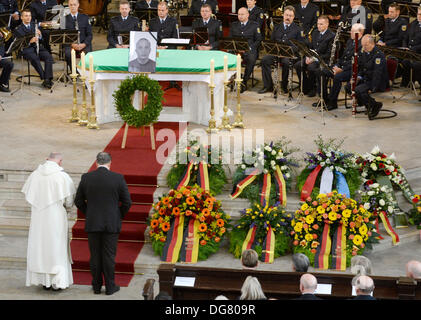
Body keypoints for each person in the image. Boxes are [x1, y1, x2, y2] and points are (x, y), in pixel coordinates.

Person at [74, 152, 132, 295]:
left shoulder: (87, 177)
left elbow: (78, 201)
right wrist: (118, 215)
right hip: (111, 223)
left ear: (96, 163)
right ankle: (110, 286)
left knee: (95, 256)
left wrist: (89, 213)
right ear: (110, 163)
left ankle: (97, 286)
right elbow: (127, 202)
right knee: (109, 256)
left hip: (93, 222)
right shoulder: (118, 178)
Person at [22, 152, 76, 291]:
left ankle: (44, 282)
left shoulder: (35, 175)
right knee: (56, 247)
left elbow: (29, 195)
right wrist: (67, 208)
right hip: (56, 216)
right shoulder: (62, 176)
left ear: (47, 159)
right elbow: (69, 199)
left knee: (40, 247)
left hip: (39, 217)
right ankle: (57, 283)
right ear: (60, 161)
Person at [259, 5, 303, 94]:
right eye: (286, 15)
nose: (288, 17)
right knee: (264, 60)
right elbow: (272, 41)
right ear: (283, 15)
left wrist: (288, 51)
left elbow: (299, 45)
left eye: (290, 16)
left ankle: (284, 85)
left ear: (293, 17)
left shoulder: (298, 29)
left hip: (289, 54)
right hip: (276, 53)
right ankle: (268, 86)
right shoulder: (277, 27)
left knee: (286, 62)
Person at [325, 23, 365, 110]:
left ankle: (332, 102)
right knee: (325, 71)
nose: (350, 32)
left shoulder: (362, 44)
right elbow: (343, 56)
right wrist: (336, 65)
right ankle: (325, 98)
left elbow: (356, 62)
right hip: (344, 67)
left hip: (354, 70)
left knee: (337, 77)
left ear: (360, 33)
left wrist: (342, 69)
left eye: (353, 31)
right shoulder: (350, 41)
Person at [294, 15, 334, 98]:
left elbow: (328, 54)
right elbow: (311, 46)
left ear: (327, 24)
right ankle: (305, 87)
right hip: (312, 56)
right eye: (318, 24)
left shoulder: (331, 36)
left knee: (311, 67)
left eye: (321, 24)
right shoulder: (315, 32)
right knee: (298, 65)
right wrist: (308, 56)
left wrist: (314, 58)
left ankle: (313, 88)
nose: (319, 26)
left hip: (322, 59)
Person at [13, 9, 54, 89]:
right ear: (22, 17)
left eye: (29, 16)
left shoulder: (34, 25)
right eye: (26, 16)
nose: (28, 18)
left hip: (37, 47)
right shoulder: (18, 29)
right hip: (26, 49)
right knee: (35, 58)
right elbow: (19, 45)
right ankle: (45, 79)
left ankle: (48, 78)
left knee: (48, 56)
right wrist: (29, 41)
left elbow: (41, 40)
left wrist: (40, 35)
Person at [351, 34, 388, 120]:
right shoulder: (365, 52)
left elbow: (377, 73)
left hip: (376, 81)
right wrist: (358, 77)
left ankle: (375, 105)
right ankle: (367, 104)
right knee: (349, 86)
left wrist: (373, 87)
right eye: (362, 45)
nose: (363, 47)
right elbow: (361, 67)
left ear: (372, 44)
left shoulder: (378, 55)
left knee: (358, 90)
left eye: (365, 45)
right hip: (366, 78)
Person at [229, 7, 262, 93]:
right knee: (229, 57)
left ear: (248, 15)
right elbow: (230, 39)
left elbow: (258, 40)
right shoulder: (233, 25)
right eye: (239, 14)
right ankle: (236, 77)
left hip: (250, 50)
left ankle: (244, 81)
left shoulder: (254, 25)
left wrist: (250, 48)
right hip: (236, 50)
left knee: (251, 59)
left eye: (242, 14)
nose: (240, 16)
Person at [64, 0, 93, 70]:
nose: (73, 7)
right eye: (71, 5)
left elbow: (90, 35)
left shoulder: (85, 17)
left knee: (89, 54)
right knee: (68, 54)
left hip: (83, 43)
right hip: (70, 44)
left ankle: (86, 72)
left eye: (74, 5)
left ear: (78, 5)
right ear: (68, 6)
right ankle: (73, 72)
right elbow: (63, 35)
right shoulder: (64, 19)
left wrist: (84, 44)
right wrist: (72, 44)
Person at [400, 7, 421, 88]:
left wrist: (412, 49)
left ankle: (418, 81)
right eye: (418, 14)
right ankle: (407, 82)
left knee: (416, 64)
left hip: (418, 53)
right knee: (405, 62)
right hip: (410, 51)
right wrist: (405, 47)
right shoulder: (413, 24)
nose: (419, 16)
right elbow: (405, 37)